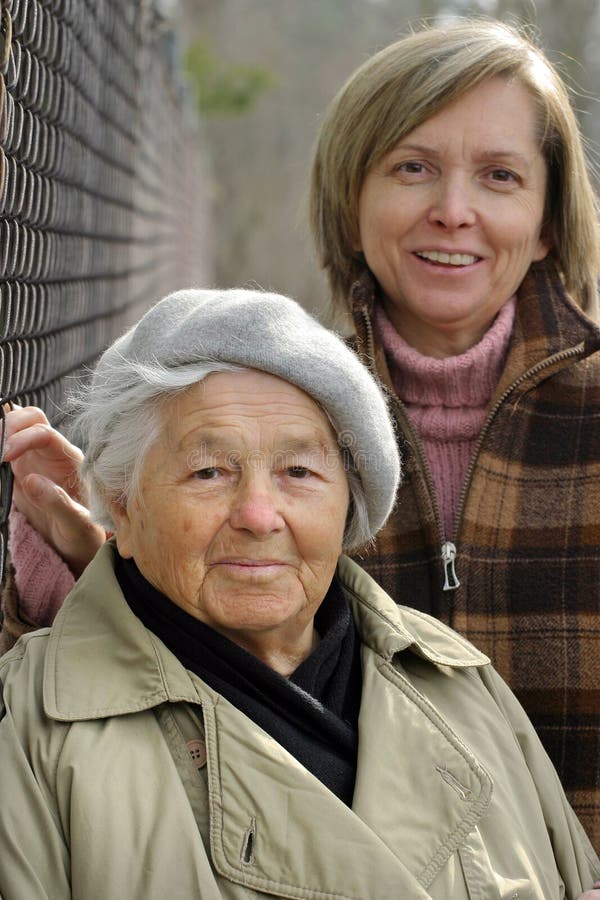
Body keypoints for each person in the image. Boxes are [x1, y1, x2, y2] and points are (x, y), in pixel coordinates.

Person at [1, 15, 600, 848]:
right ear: (352, 198)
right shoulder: (270, 419)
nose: (453, 211)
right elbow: (166, 706)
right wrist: (92, 572)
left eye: (500, 176)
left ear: (545, 220)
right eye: (413, 168)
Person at [1, 286, 600, 900]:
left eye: (299, 472)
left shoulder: (455, 678)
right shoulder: (29, 732)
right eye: (209, 471)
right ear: (122, 509)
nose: (259, 515)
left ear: (349, 508)